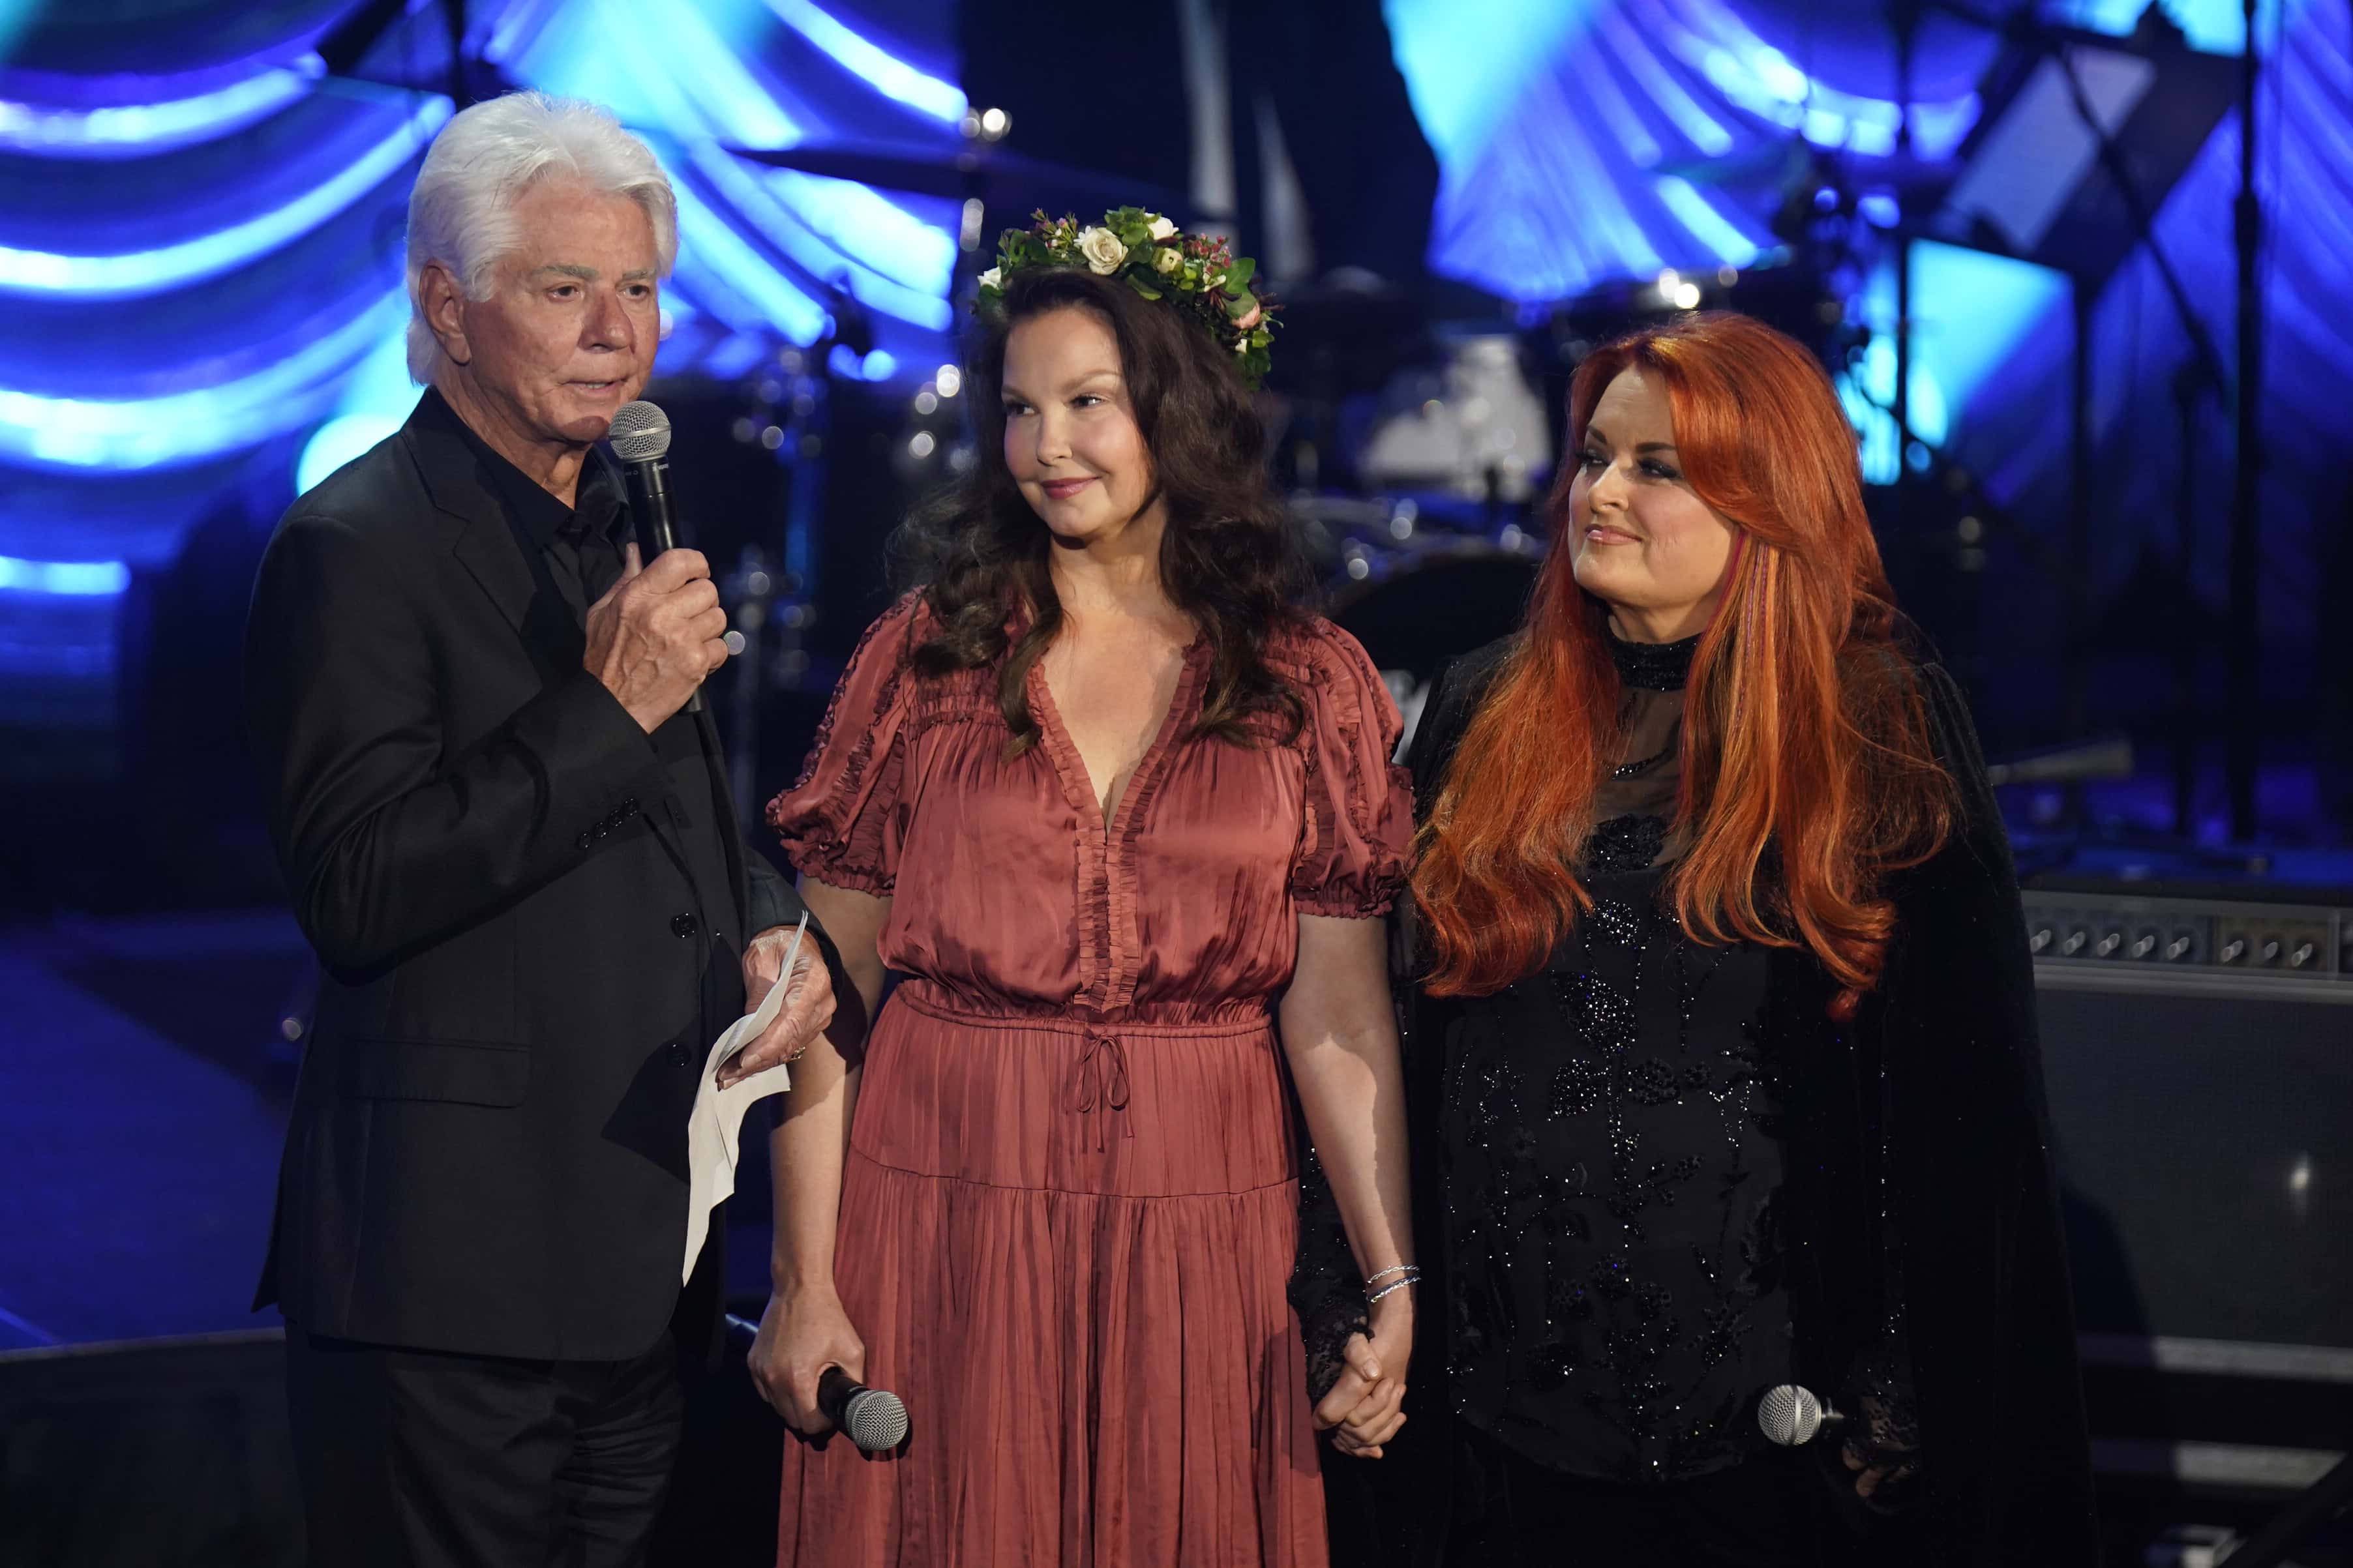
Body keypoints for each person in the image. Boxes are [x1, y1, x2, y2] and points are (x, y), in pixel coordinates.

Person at [1310, 311, 2097, 1565]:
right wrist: (1358, 1295)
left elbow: (1965, 1098)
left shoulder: (1873, 720)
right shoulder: (1484, 701)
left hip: (1767, 1431)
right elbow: (1393, 1038)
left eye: (1658, 468)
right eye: (1595, 458)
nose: (1602, 492)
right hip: (1496, 1422)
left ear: (1766, 499)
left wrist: (1901, 1387)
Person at [750, 211, 1417, 1566]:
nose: (1047, 446)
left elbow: (1340, 1018)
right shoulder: (928, 659)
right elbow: (821, 1003)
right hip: (941, 1210)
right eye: (1020, 408)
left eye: (1089, 403)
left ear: (1181, 410)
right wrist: (803, 1283)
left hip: (1205, 1225)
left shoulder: (1307, 680)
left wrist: (1388, 1275)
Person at [243, 92, 834, 1567]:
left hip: (639, 1258)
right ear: (448, 306)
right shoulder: (353, 549)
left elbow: (681, 804)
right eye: (563, 289)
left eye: (636, 290)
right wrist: (602, 708)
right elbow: (360, 888)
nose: (614, 332)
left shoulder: (626, 513)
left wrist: (763, 905)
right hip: (448, 1289)